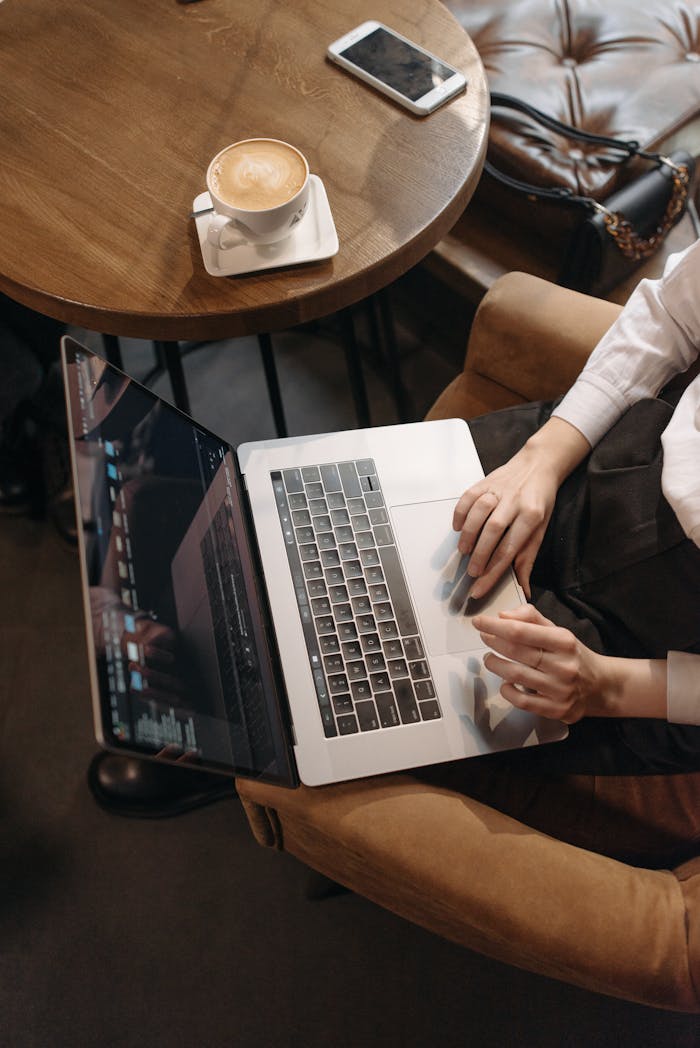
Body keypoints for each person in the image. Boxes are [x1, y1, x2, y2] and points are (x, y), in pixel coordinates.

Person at [446, 238, 700, 778]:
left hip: (656, 658)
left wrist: (604, 684)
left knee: (384, 706)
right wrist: (543, 459)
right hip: (614, 459)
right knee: (330, 526)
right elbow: (675, 311)